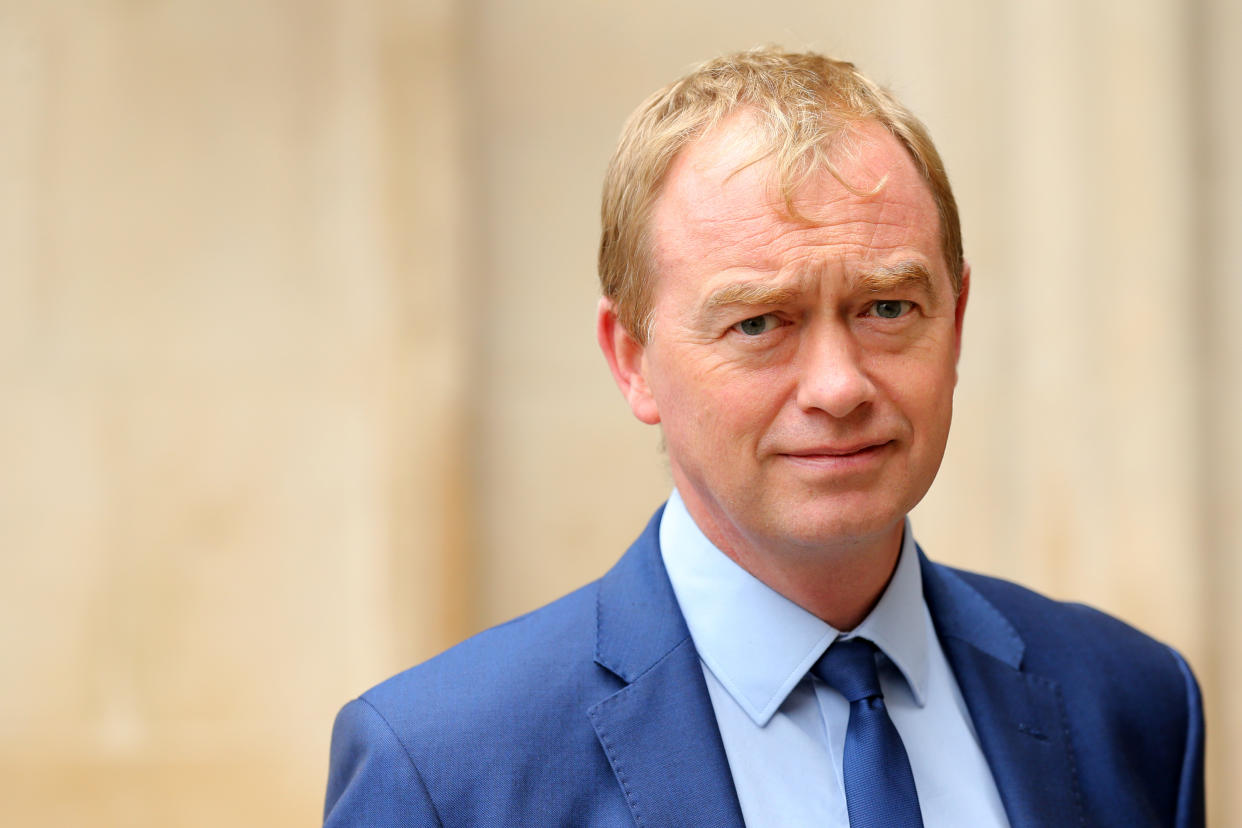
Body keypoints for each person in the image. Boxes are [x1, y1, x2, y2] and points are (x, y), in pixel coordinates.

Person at [323, 47, 1204, 827]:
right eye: (759, 323)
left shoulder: (1132, 704)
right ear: (632, 359)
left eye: (888, 307)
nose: (838, 386)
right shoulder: (445, 774)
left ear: (958, 321)